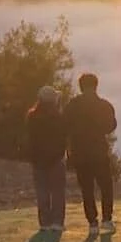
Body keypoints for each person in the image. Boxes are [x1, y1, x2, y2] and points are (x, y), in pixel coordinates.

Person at [63, 72, 118, 236]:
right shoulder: (104, 105)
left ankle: (92, 222)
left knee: (87, 188)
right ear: (96, 86)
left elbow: (65, 126)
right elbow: (111, 126)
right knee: (106, 186)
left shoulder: (72, 106)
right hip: (99, 151)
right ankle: (107, 219)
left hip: (80, 152)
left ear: (81, 87)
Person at [26, 85, 68, 232]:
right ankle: (57, 222)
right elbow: (63, 137)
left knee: (42, 191)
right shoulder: (58, 117)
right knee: (57, 192)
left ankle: (45, 222)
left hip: (38, 159)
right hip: (56, 159)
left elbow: (31, 139)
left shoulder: (32, 117)